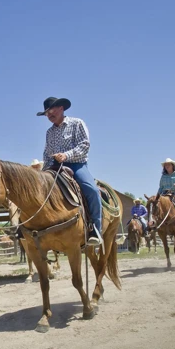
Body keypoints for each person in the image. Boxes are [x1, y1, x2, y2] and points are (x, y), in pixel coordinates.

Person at [38, 96, 102, 246]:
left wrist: (66, 155)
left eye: (51, 111)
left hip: (76, 165)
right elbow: (47, 153)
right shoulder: (49, 132)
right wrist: (43, 171)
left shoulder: (76, 123)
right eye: (46, 113)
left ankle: (95, 230)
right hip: (53, 167)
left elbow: (84, 145)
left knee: (91, 190)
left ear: (61, 108)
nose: (49, 115)